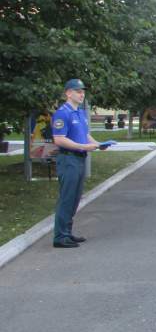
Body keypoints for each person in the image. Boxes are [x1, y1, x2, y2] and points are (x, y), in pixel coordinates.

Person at [51, 79, 107, 248]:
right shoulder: (63, 113)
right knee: (67, 198)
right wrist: (84, 147)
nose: (81, 94)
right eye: (77, 91)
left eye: (83, 91)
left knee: (74, 199)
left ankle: (67, 232)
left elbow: (85, 134)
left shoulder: (81, 113)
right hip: (68, 159)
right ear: (68, 93)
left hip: (79, 158)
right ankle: (60, 236)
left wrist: (97, 144)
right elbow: (59, 139)